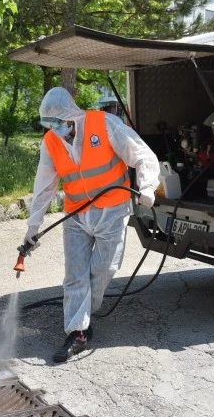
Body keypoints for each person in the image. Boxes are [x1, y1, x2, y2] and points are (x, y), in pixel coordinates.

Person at [24, 87, 160, 362]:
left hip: (112, 210)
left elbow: (142, 155)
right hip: (76, 215)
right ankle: (78, 332)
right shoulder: (51, 142)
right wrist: (32, 227)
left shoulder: (105, 124)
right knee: (75, 275)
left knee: (104, 268)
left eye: (59, 124)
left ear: (71, 116)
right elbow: (44, 187)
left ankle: (86, 310)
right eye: (50, 126)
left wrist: (147, 186)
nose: (57, 130)